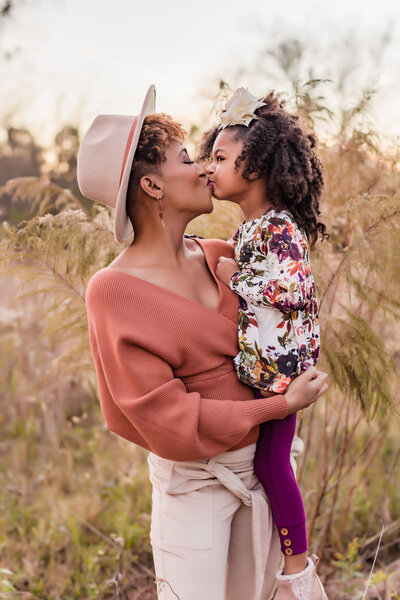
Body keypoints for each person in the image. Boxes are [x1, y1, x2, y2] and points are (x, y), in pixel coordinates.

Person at [77, 84, 328, 600]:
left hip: (260, 476)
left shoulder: (221, 255)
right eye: (188, 158)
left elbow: (284, 320)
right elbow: (168, 421)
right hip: (194, 489)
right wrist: (280, 405)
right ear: (151, 185)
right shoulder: (114, 291)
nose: (203, 170)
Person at [199, 87, 329, 599]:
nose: (211, 168)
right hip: (269, 369)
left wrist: (235, 277)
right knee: (266, 462)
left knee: (270, 464)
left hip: (284, 372)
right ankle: (284, 563)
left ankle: (298, 571)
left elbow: (295, 291)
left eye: (222, 158)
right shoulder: (254, 227)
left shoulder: (278, 227)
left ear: (254, 165)